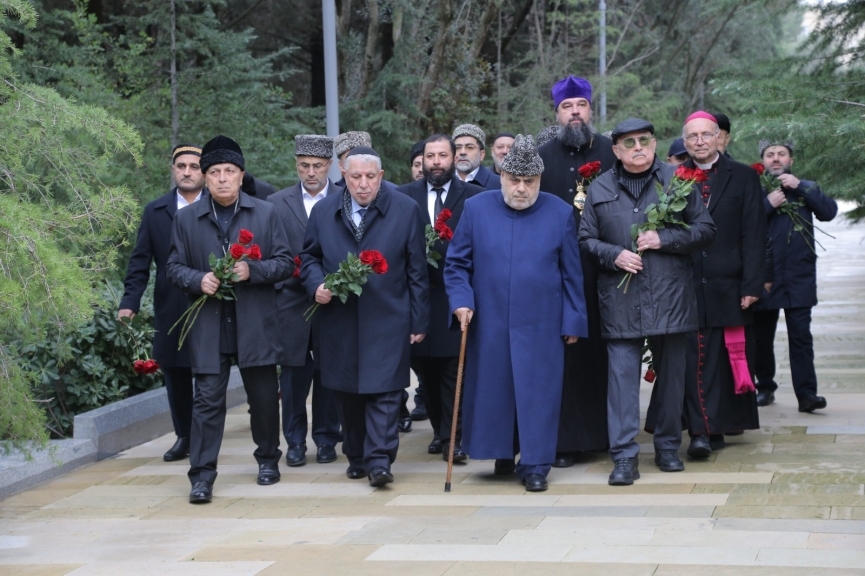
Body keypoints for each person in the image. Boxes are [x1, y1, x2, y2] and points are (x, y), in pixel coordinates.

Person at [444, 134, 588, 492]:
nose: (521, 189)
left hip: (542, 322)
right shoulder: (477, 209)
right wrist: (461, 300)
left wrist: (573, 319)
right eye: (514, 180)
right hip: (489, 319)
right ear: (502, 175)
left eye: (530, 182)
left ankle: (537, 463)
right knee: (496, 388)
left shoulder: (559, 211)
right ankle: (503, 452)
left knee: (538, 393)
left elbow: (572, 272)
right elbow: (456, 264)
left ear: (540, 180)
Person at [579, 119, 715, 485]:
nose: (638, 147)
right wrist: (614, 255)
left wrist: (664, 238)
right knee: (621, 381)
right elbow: (585, 240)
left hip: (670, 297)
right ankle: (624, 457)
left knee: (672, 377)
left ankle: (668, 447)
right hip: (620, 298)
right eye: (629, 142)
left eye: (644, 140)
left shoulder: (677, 180)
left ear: (654, 144)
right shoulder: (599, 188)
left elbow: (705, 230)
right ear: (617, 150)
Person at [167, 135, 293, 503]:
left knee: (265, 397)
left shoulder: (266, 212)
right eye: (215, 172)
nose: (223, 178)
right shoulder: (187, 218)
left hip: (255, 321)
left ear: (241, 175)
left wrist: (250, 270)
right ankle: (202, 476)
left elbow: (286, 263)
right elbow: (173, 266)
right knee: (206, 400)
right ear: (205, 178)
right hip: (209, 323)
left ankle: (268, 459)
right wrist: (197, 279)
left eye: (230, 171)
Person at [300, 146, 429, 487]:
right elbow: (309, 257)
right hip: (338, 319)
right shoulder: (324, 211)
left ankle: (380, 460)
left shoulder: (405, 209)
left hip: (389, 316)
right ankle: (357, 455)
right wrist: (317, 285)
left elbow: (417, 269)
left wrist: (419, 320)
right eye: (355, 176)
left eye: (370, 177)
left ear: (381, 177)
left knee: (386, 391)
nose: (363, 184)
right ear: (343, 176)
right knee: (348, 393)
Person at [648, 112, 766, 459]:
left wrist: (753, 284)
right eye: (692, 137)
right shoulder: (671, 177)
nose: (699, 141)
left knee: (713, 359)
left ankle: (707, 429)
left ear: (719, 138)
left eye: (706, 135)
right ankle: (699, 430)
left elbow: (755, 234)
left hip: (726, 284)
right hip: (680, 284)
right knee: (687, 357)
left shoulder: (743, 176)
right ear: (684, 143)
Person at [538, 75, 618, 468]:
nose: (574, 112)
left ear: (590, 109)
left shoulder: (610, 152)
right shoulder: (542, 155)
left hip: (605, 269)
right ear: (557, 113)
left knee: (604, 353)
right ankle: (566, 441)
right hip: (556, 274)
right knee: (565, 357)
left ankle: (604, 435)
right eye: (567, 107)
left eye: (580, 106)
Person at [397, 134, 483, 460]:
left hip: (455, 299)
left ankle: (454, 438)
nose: (436, 162)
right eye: (430, 156)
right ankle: (439, 430)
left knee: (452, 370)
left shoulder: (475, 197)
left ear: (453, 158)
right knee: (426, 374)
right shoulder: (403, 197)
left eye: (442, 155)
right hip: (416, 300)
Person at [119, 144, 203, 462]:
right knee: (176, 376)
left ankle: (207, 436)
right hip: (171, 306)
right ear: (173, 170)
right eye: (181, 166)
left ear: (203, 172)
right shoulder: (156, 211)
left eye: (194, 166)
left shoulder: (220, 207)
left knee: (211, 373)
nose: (187, 171)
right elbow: (140, 262)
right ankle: (184, 436)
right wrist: (130, 301)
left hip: (212, 304)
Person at [267, 135, 343, 467]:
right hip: (291, 301)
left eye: (317, 166)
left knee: (329, 371)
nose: (310, 172)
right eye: (304, 166)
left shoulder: (345, 197)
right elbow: (270, 249)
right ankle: (294, 441)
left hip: (334, 301)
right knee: (294, 375)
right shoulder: (276, 202)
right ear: (296, 165)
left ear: (330, 166)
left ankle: (327, 438)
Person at [753, 140, 838, 412]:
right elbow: (741, 225)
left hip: (799, 276)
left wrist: (799, 186)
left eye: (781, 154)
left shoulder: (806, 188)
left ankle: (807, 395)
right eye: (770, 155)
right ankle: (764, 387)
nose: (775, 159)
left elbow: (829, 212)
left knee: (801, 336)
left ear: (791, 159)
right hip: (765, 275)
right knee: (762, 337)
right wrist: (767, 204)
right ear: (763, 161)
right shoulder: (755, 190)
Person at [452, 124, 501, 190]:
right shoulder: (443, 181)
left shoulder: (499, 184)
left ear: (481, 155)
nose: (462, 152)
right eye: (457, 147)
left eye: (470, 147)